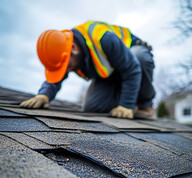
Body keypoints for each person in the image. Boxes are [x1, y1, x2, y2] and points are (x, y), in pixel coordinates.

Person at [20, 21, 156, 119]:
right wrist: (44, 94)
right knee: (93, 107)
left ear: (73, 47)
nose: (66, 71)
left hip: (132, 60)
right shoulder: (65, 49)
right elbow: (59, 70)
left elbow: (132, 69)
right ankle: (126, 101)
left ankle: (144, 105)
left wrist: (126, 105)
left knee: (140, 56)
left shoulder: (102, 38)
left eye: (67, 67)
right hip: (113, 73)